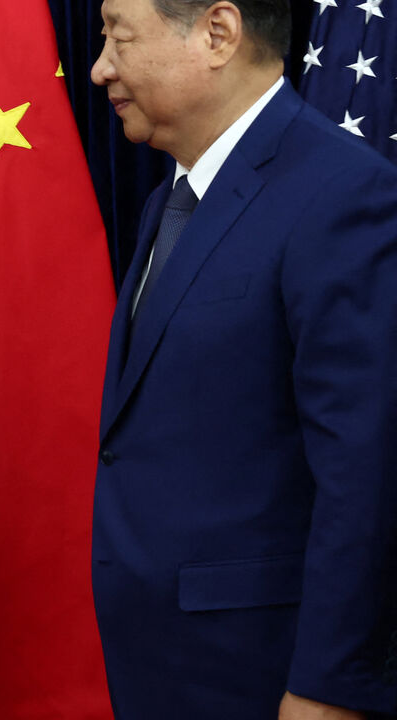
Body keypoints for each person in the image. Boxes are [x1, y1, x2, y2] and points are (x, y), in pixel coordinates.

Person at [89, 0, 397, 717]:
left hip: (269, 677)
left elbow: (369, 472)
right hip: (163, 669)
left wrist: (330, 688)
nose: (101, 66)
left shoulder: (345, 196)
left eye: (119, 36)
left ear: (217, 35)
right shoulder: (171, 201)